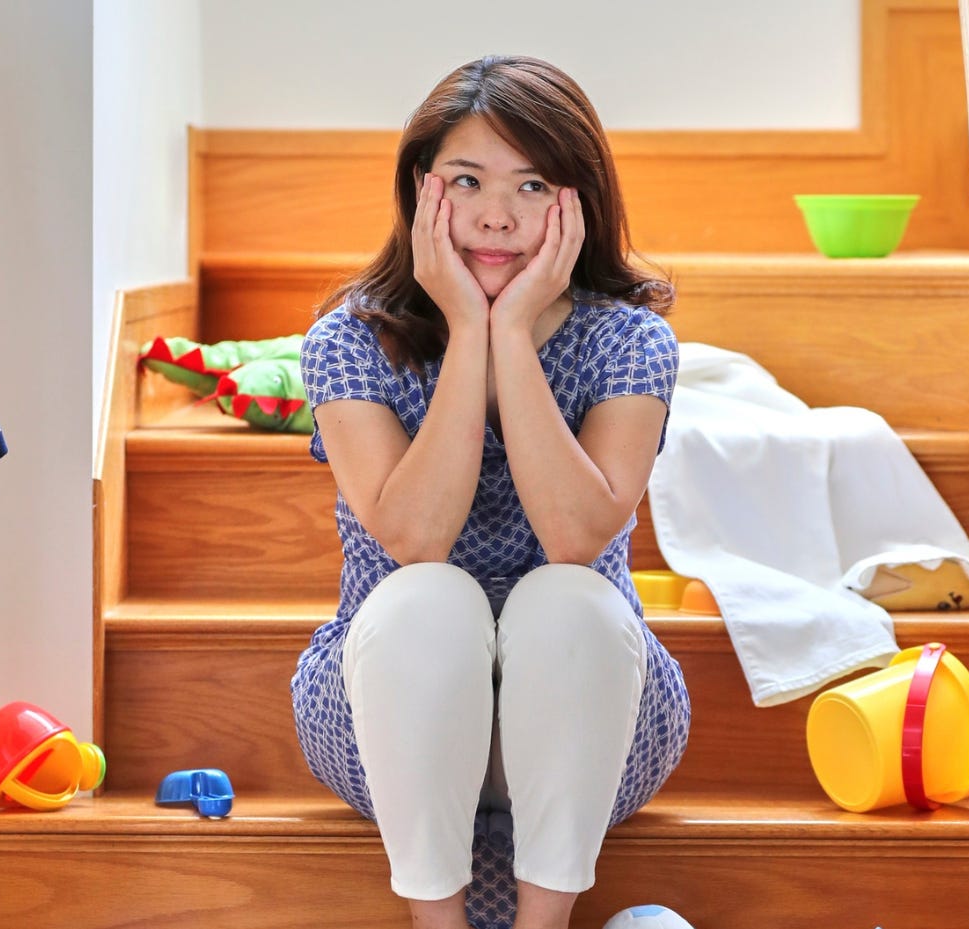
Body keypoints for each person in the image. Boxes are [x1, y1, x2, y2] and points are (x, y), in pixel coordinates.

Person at [291, 55, 691, 929]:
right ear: (421, 190)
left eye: (533, 183)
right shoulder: (346, 340)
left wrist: (513, 329)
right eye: (467, 180)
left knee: (568, 597)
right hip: (393, 712)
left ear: (577, 200)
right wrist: (466, 326)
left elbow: (576, 535)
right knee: (428, 595)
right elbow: (417, 536)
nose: (496, 215)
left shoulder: (630, 341)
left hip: (593, 718)